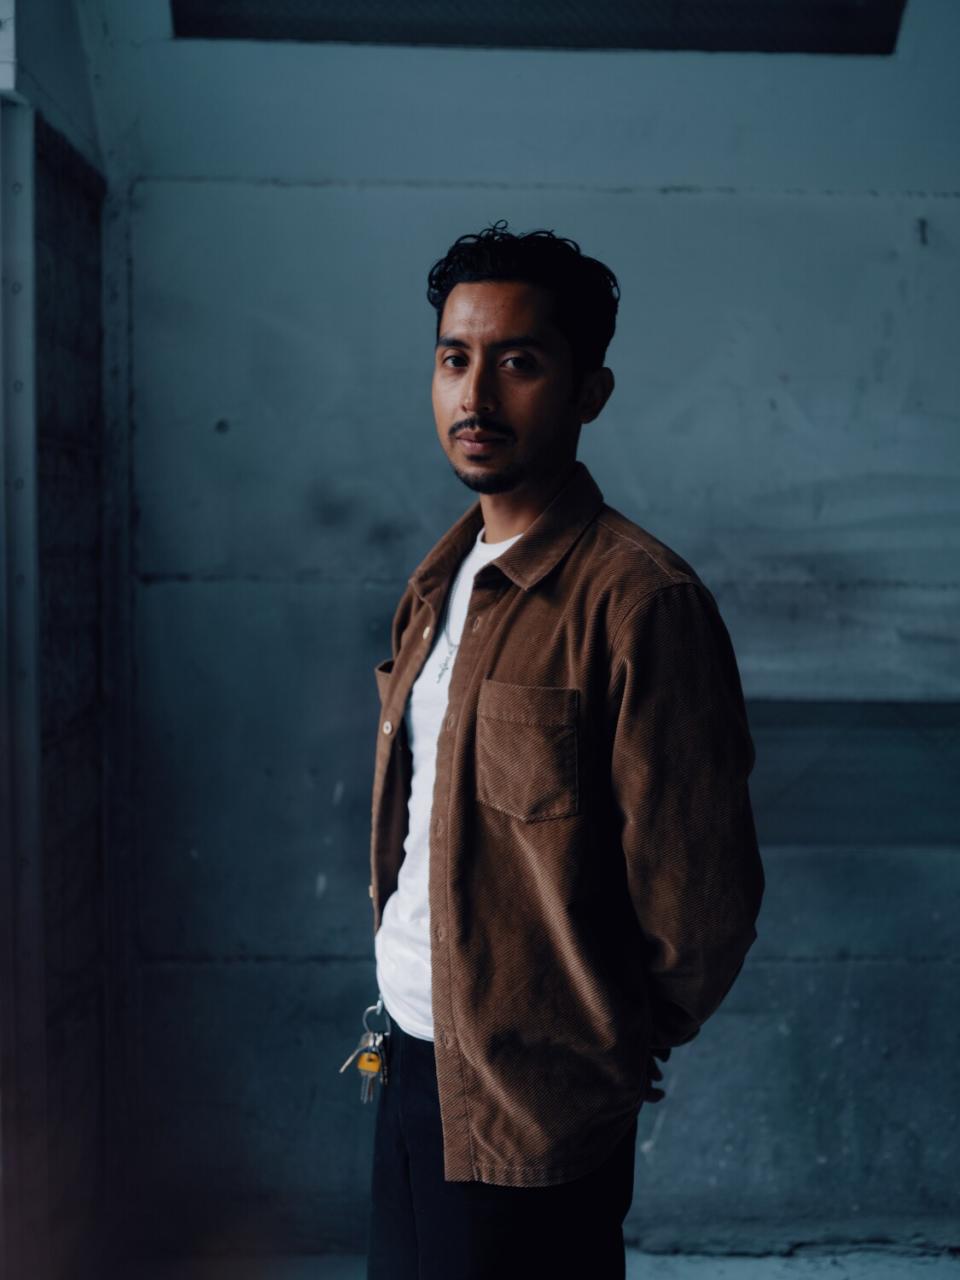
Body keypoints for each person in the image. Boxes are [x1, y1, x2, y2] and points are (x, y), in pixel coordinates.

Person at [363, 222, 765, 1279]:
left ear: (591, 391)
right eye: (455, 357)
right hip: (408, 1056)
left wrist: (616, 1038)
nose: (476, 395)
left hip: (540, 1097)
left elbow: (701, 888)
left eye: (520, 361)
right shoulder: (440, 579)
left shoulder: (641, 602)